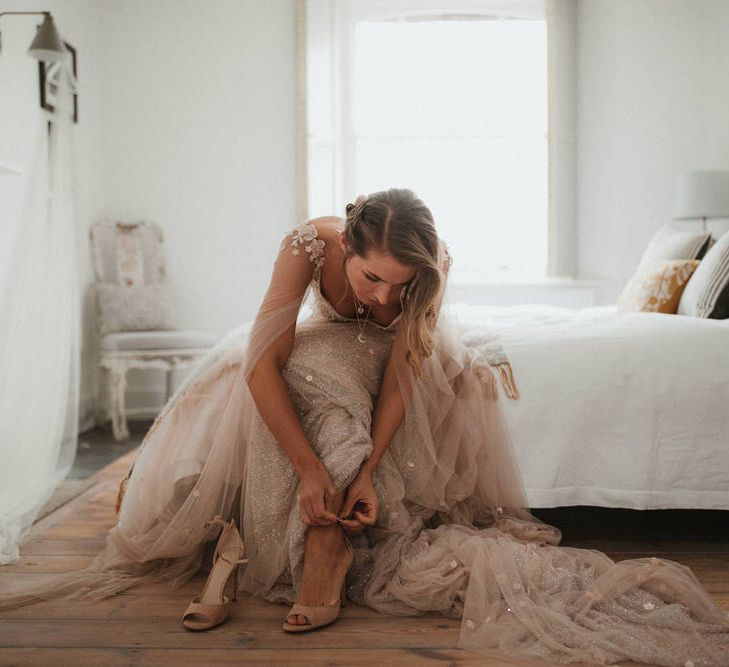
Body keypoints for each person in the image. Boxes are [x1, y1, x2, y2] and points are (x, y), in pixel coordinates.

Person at [2, 188, 728, 665]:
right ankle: (313, 529)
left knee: (342, 392)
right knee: (296, 374)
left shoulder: (421, 278)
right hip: (322, 356)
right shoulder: (306, 246)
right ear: (344, 248)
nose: (384, 296)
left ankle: (297, 538)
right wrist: (314, 473)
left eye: (401, 284)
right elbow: (259, 363)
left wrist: (367, 470)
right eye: (370, 279)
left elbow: (403, 375)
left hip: (388, 370)